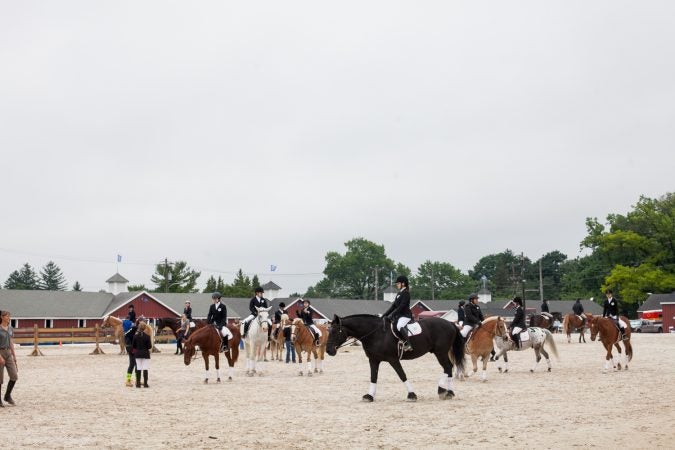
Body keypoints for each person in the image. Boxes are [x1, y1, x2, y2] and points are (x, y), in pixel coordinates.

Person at [382, 275, 413, 351]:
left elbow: (401, 306)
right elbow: (393, 306)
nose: (397, 285)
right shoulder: (399, 293)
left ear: (403, 283)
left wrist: (392, 314)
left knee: (399, 326)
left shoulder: (406, 293)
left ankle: (408, 344)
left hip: (405, 315)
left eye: (398, 283)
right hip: (399, 316)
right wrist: (385, 315)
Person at [0, 310, 18, 406]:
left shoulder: (10, 328)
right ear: (2, 317)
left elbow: (11, 342)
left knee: (14, 376)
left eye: (9, 316)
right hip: (0, 352)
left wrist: (14, 356)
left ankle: (7, 396)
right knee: (0, 379)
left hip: (8, 353)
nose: (8, 318)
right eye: (7, 316)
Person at [132, 321, 152, 388]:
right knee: (145, 369)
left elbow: (133, 346)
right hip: (145, 354)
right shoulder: (147, 336)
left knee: (138, 368)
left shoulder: (135, 336)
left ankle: (138, 384)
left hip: (138, 354)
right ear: (145, 328)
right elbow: (149, 346)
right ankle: (145, 384)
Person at [123, 319, 137, 386]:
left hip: (128, 347)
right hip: (133, 348)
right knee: (137, 364)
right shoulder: (136, 329)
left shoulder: (130, 329)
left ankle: (128, 380)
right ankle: (137, 380)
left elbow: (125, 335)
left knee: (131, 364)